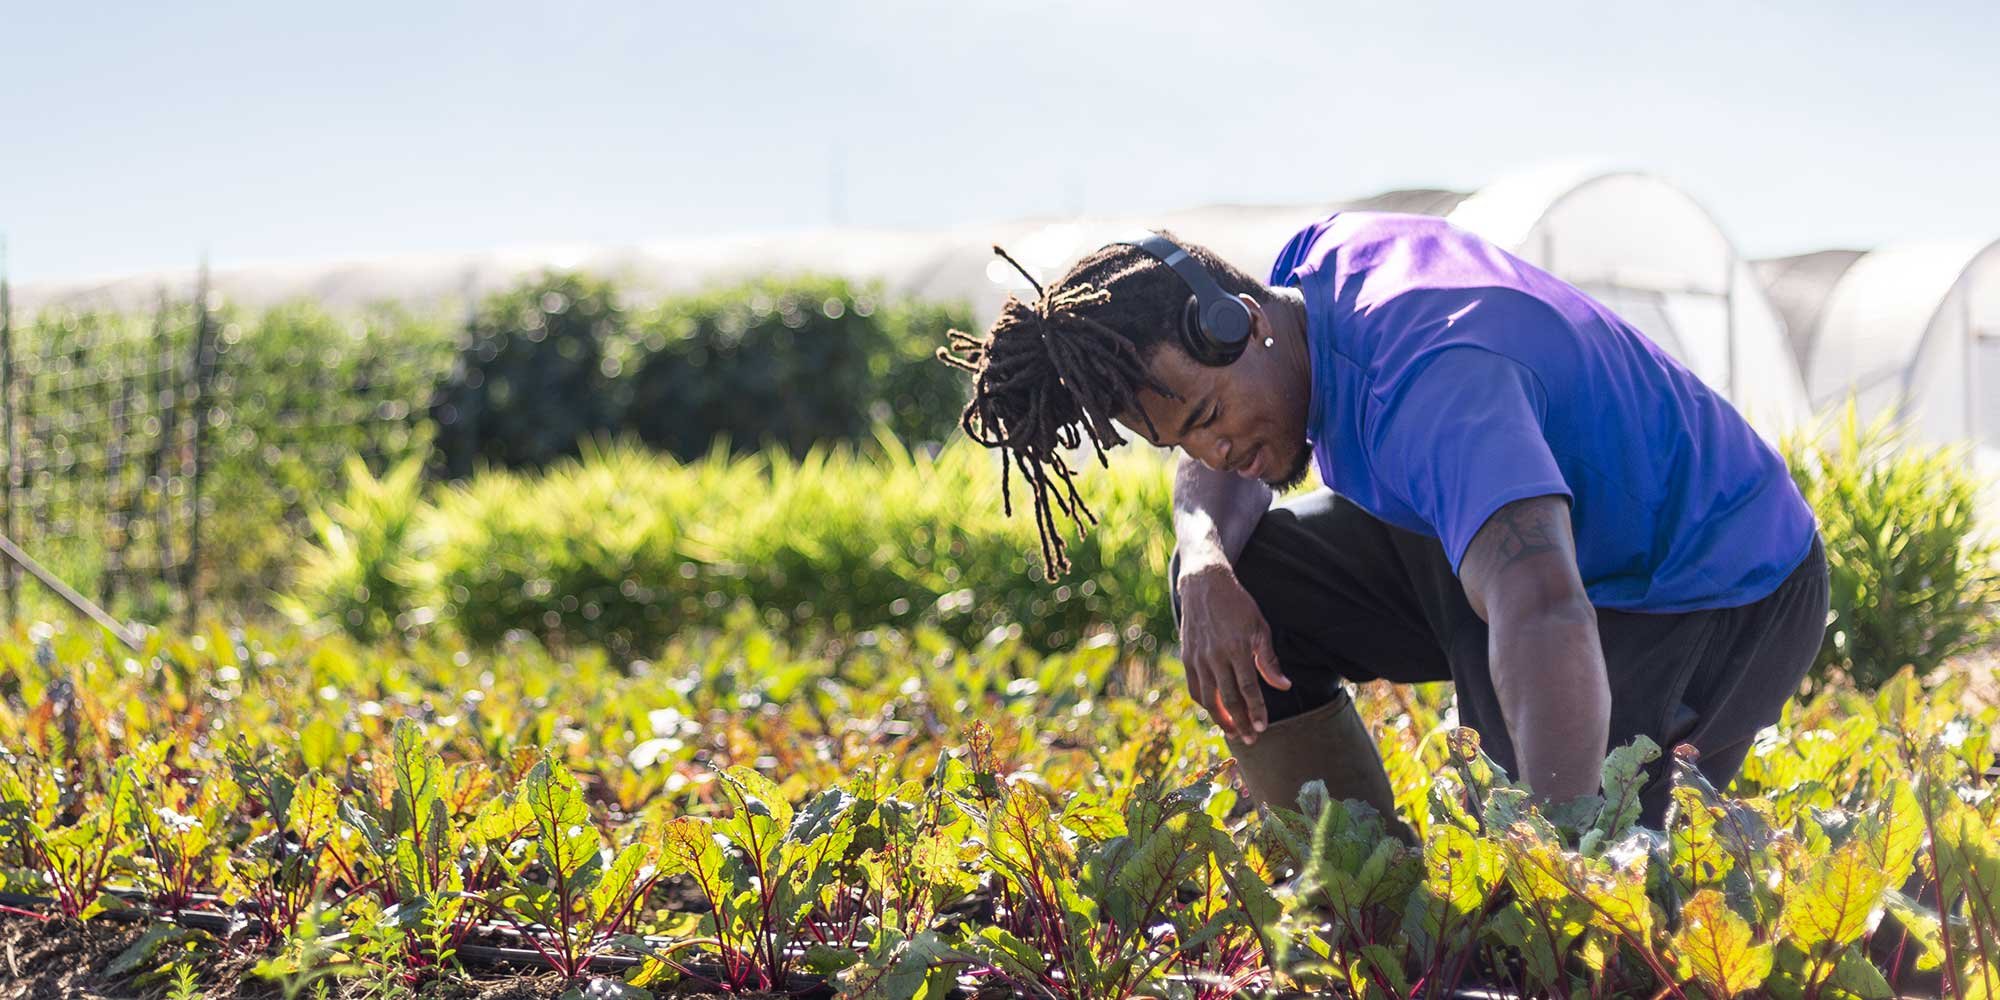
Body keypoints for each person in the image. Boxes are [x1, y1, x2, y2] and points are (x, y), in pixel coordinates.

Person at [936, 211, 1829, 832]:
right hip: (1516, 538)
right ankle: (1369, 896)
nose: (1211, 453)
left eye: (1208, 418)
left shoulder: (1431, 380)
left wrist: (1555, 854)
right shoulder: (1306, 289)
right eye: (1182, 440)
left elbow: (1544, 608)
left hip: (1711, 581)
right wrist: (1203, 560)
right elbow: (1221, 476)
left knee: (1600, 887)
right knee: (1249, 577)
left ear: (1240, 323)